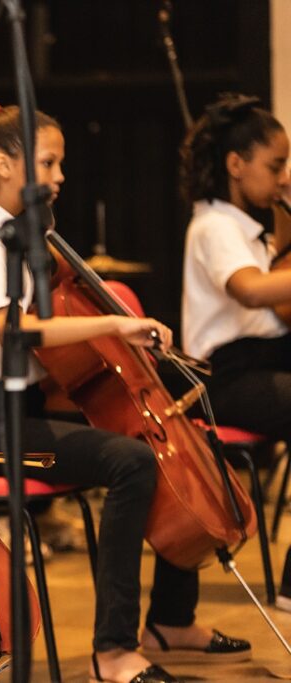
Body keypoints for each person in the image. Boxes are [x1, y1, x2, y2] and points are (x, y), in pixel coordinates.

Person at [0, 98, 250, 683]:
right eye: (49, 163)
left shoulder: (10, 234)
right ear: (6, 164)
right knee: (130, 461)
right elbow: (17, 331)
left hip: (16, 411)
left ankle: (171, 620)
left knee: (159, 446)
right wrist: (113, 324)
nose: (59, 177)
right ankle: (113, 651)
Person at [177, 93, 291, 611]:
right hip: (225, 378)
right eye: (277, 165)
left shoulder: (248, 228)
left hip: (264, 361)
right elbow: (249, 290)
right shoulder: (215, 224)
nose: (286, 177)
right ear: (235, 165)